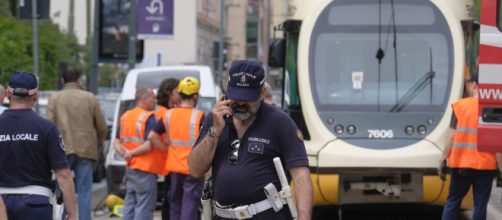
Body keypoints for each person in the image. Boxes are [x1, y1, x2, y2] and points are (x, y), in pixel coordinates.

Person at [189, 60, 313, 220]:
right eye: (236, 96)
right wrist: (214, 131)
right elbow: (195, 170)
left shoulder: (280, 122)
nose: (240, 102)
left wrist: (304, 217)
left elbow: (301, 175)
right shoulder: (215, 118)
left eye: (247, 98)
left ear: (262, 92)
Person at [0, 72, 77, 220]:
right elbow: (63, 175)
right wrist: (72, 215)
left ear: (8, 95)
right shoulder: (47, 129)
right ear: (35, 96)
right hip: (35, 205)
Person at [46, 67, 108, 220]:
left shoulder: (55, 98)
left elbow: (49, 124)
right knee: (85, 191)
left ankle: (64, 217)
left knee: (64, 188)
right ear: (79, 80)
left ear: (62, 80)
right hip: (86, 149)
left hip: (61, 149)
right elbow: (101, 126)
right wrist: (98, 143)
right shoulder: (90, 98)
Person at [440, 73, 502, 220]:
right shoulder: (493, 107)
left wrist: (443, 159)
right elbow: (497, 144)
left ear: (474, 84)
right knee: (480, 205)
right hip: (485, 167)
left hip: (461, 164)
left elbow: (451, 137)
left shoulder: (460, 106)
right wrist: (501, 168)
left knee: (453, 201)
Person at [149, 77, 206, 220]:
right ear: (195, 96)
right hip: (193, 167)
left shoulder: (168, 114)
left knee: (175, 204)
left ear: (180, 95)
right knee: (190, 204)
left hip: (174, 168)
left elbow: (152, 136)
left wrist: (167, 150)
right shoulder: (199, 116)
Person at [113, 87, 164, 220]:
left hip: (131, 168)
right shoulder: (149, 117)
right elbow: (148, 145)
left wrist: (125, 154)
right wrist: (131, 153)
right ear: (143, 99)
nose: (155, 100)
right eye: (153, 97)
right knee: (144, 206)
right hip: (145, 168)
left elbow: (116, 142)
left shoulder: (125, 116)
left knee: (130, 203)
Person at [154, 77, 181, 220]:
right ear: (170, 93)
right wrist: (168, 149)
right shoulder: (163, 113)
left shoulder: (172, 110)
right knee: (169, 200)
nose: (181, 94)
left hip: (173, 163)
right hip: (168, 163)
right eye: (178, 91)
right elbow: (153, 136)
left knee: (170, 198)